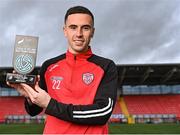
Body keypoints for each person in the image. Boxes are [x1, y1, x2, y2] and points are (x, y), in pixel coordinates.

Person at [7, 6, 118, 134]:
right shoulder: (49, 66)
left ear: (92, 32)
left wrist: (51, 105)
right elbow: (34, 111)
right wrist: (29, 94)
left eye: (85, 28)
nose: (79, 34)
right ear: (65, 30)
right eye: (73, 27)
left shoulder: (106, 66)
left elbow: (102, 113)